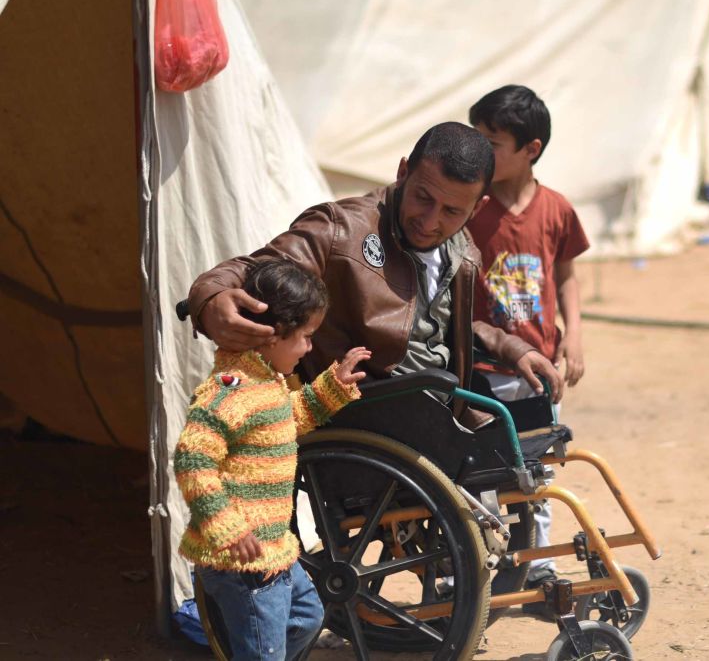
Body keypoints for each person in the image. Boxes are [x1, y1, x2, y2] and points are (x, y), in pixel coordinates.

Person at [186, 121, 564, 430]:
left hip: (446, 411)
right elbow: (255, 269)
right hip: (372, 418)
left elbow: (455, 327)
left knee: (536, 427)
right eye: (422, 197)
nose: (430, 222)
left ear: (477, 208)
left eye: (451, 210)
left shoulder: (461, 252)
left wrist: (517, 349)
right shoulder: (340, 230)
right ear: (403, 173)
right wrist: (211, 296)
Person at [174, 258, 372, 661]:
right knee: (265, 651)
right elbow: (192, 460)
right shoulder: (229, 393)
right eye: (306, 337)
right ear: (270, 336)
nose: (309, 348)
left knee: (307, 616)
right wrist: (228, 529)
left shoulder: (267, 383)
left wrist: (331, 388)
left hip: (274, 549)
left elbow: (285, 420)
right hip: (242, 559)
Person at [467, 85, 590, 609]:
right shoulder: (468, 206)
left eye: (491, 142)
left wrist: (576, 337)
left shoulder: (556, 209)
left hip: (541, 368)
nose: (479, 152)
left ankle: (538, 570)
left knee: (536, 472)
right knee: (482, 475)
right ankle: (475, 568)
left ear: (530, 149)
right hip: (486, 368)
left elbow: (566, 278)